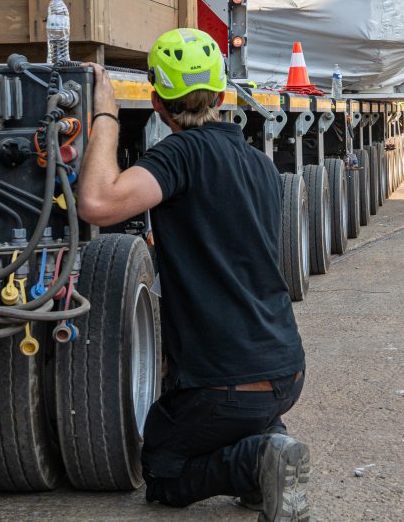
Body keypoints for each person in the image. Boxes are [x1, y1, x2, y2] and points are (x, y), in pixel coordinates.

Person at [77, 27, 310, 521]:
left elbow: (98, 203)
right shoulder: (259, 165)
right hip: (286, 370)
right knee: (231, 418)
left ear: (158, 102)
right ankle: (268, 444)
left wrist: (106, 115)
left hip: (226, 383)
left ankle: (257, 458)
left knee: (163, 471)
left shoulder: (179, 155)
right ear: (223, 94)